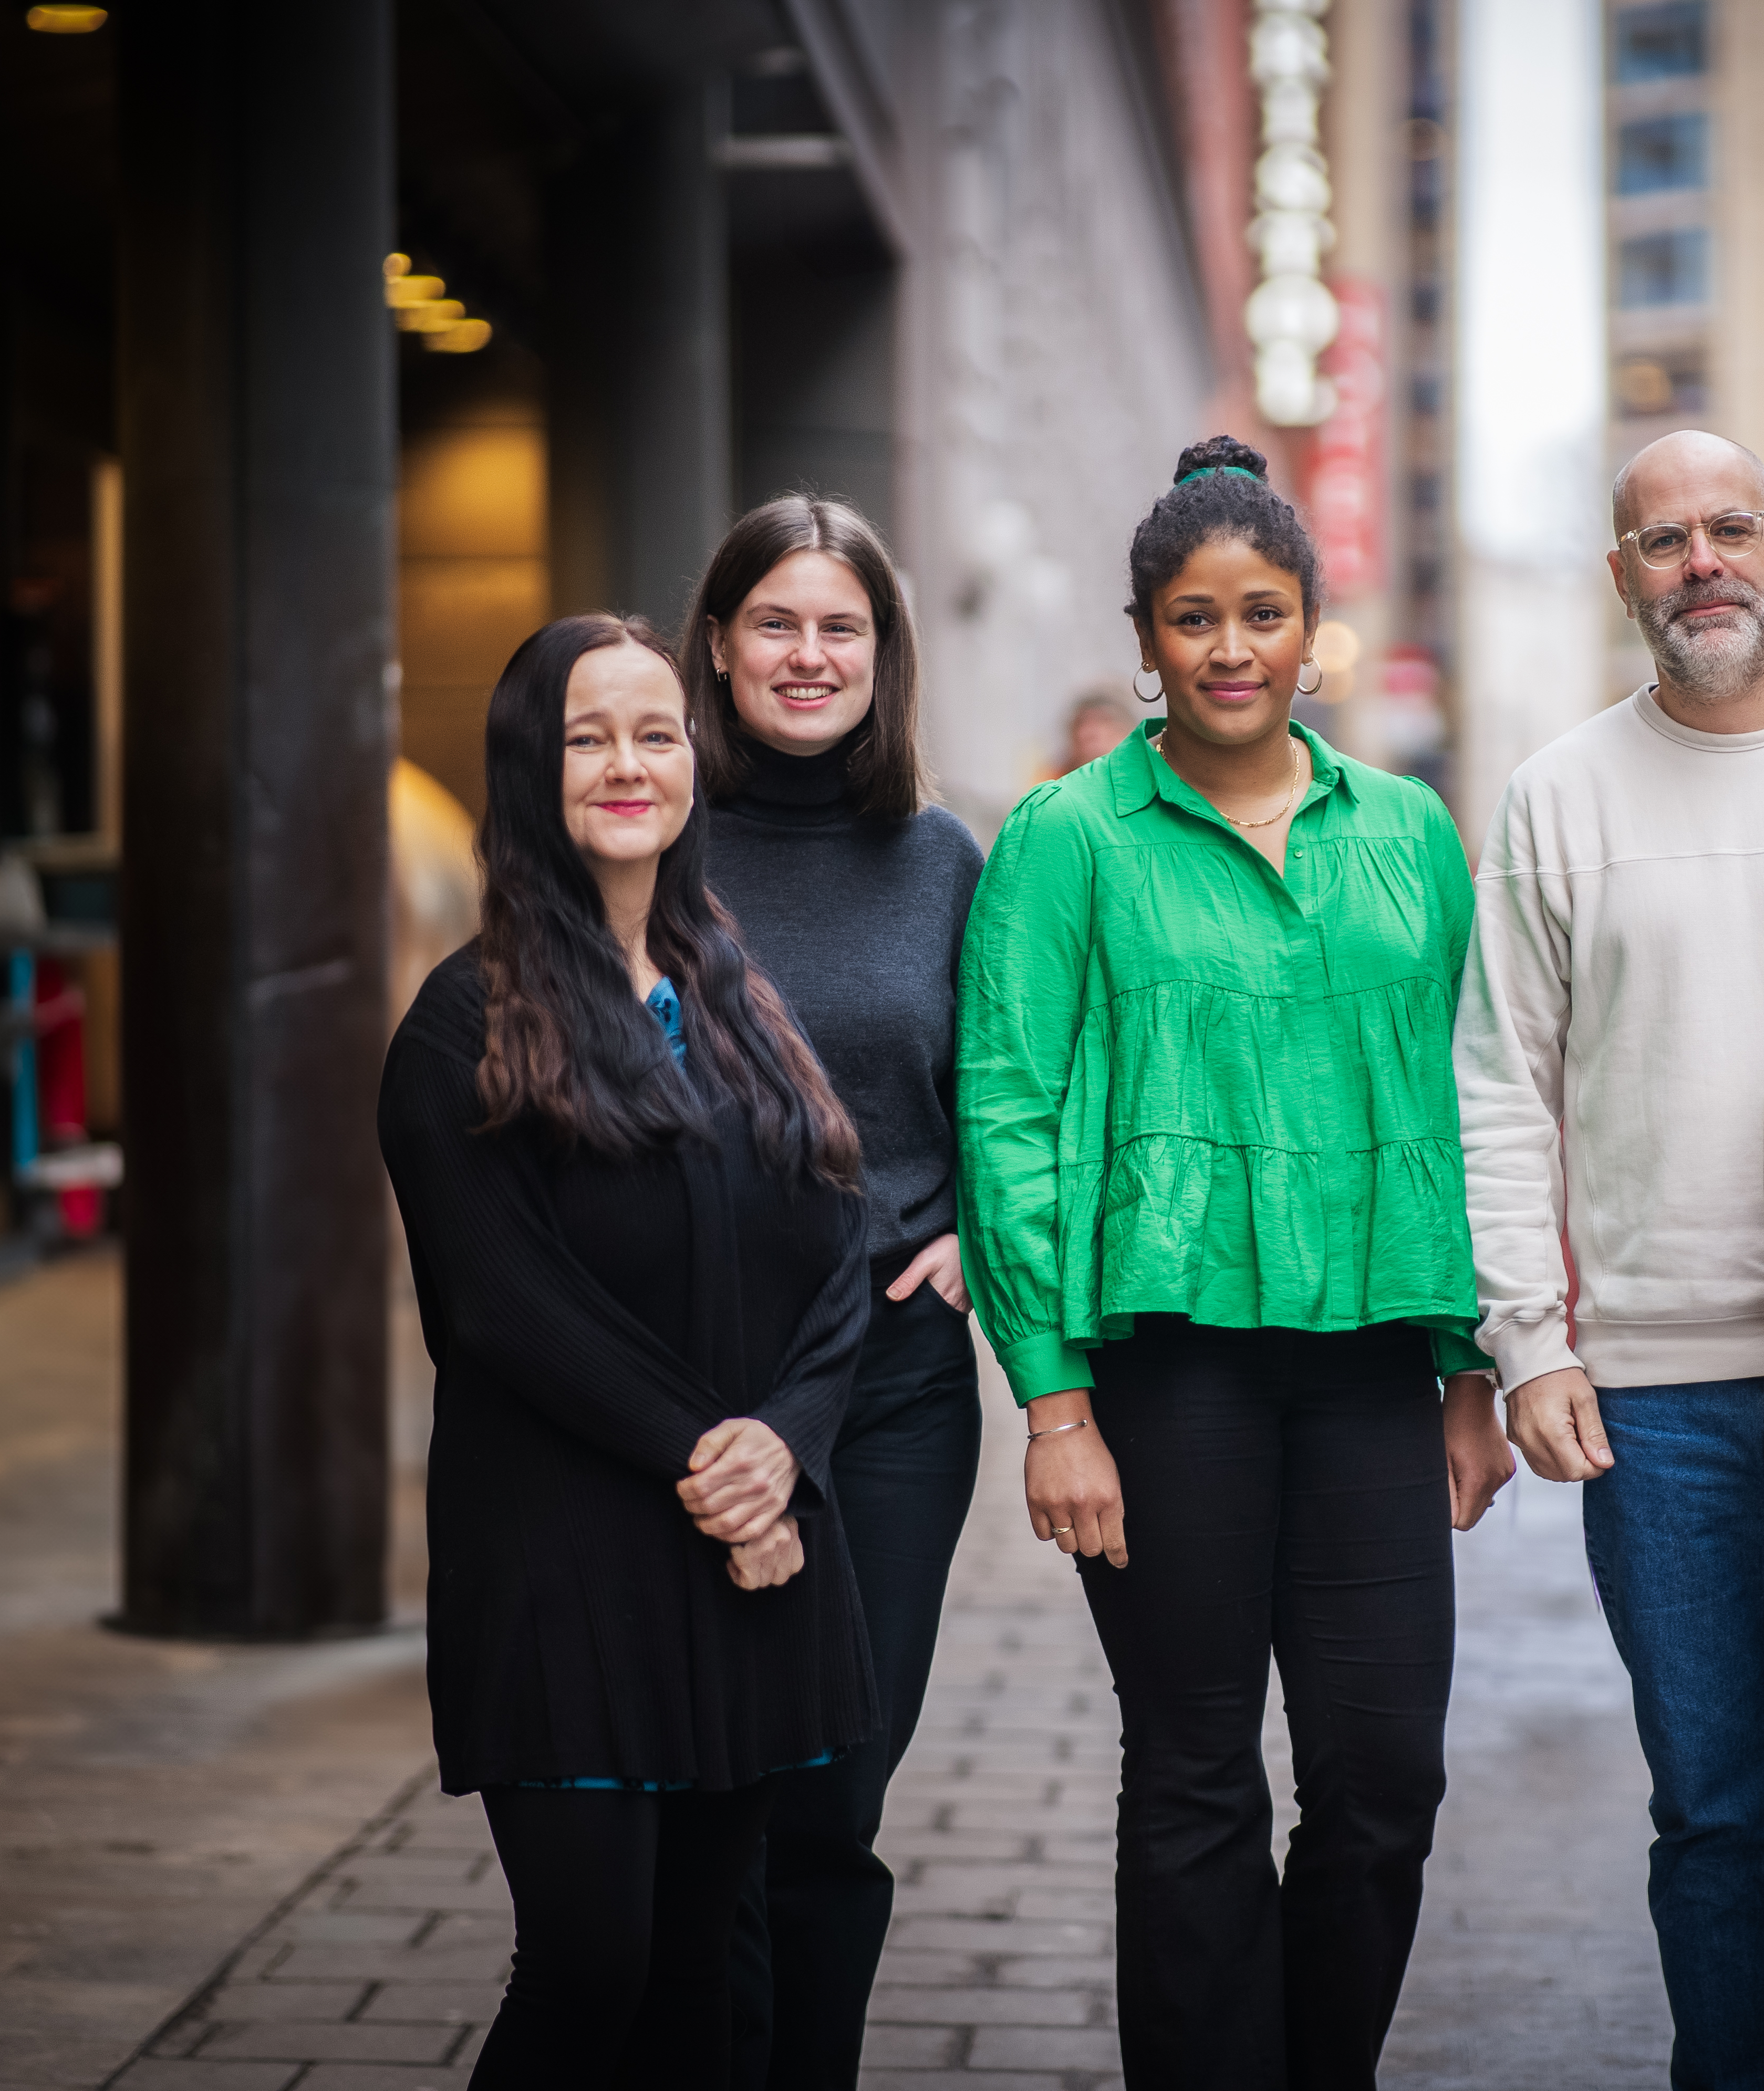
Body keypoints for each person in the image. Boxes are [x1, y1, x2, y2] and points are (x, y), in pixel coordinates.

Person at [957, 435, 1516, 2091]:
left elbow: (1459, 1089)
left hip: (1365, 1369)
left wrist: (1469, 1363)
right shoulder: (1066, 837)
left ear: (1310, 629)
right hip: (1165, 1371)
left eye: (1260, 613)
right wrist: (1054, 1405)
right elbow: (1007, 1112)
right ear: (1146, 639)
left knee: (1380, 1775)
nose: (1226, 648)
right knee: (1195, 1770)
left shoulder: (1407, 832)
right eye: (1191, 619)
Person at [1452, 428, 1764, 2086]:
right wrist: (1529, 1344)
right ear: (1620, 575)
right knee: (1713, 1815)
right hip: (1656, 1402)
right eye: (1663, 541)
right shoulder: (1558, 793)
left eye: (1728, 529)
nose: (1700, 562)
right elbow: (1496, 1084)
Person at [377, 613, 876, 2087]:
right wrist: (715, 1460)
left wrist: (784, 1438)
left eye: (656, 731)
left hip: (739, 1555)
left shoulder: (729, 986)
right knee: (588, 1962)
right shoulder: (463, 1020)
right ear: (532, 766)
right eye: (589, 733)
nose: (627, 762)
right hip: (563, 1560)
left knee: (695, 1971)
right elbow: (503, 1306)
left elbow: (836, 1246)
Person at [680, 495, 987, 2090]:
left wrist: (990, 1233)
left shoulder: (943, 856)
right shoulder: (653, 835)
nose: (809, 656)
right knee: (711, 1789)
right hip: (694, 1380)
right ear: (719, 646)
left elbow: (1021, 1086)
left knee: (834, 1788)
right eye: (776, 624)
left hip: (894, 1388)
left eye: (840, 627)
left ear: (885, 653)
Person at [1051, 686, 1131, 775]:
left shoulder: (1140, 775)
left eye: (1102, 721)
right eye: (1080, 723)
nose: (1085, 733)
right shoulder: (1052, 781)